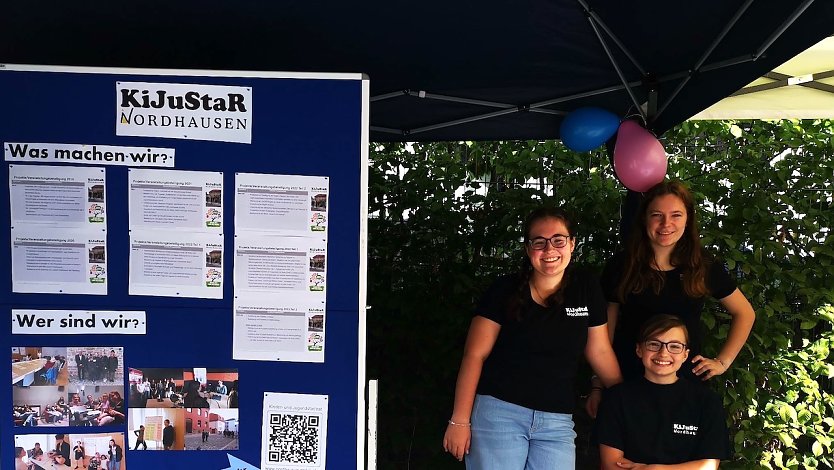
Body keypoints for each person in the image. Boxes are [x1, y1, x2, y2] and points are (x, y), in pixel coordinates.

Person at [442, 207, 622, 468]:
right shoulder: (504, 290)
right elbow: (474, 355)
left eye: (558, 240)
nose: (549, 250)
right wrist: (459, 420)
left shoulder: (586, 288)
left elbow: (600, 351)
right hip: (499, 413)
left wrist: (627, 398)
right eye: (539, 242)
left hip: (557, 420)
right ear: (528, 249)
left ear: (572, 244)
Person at [590, 180, 756, 414]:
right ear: (644, 218)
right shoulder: (622, 265)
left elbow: (744, 312)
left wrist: (722, 361)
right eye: (657, 215)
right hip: (626, 381)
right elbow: (604, 332)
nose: (666, 224)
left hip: (684, 381)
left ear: (688, 219)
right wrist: (599, 384)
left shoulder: (702, 265)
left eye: (676, 215)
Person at [596, 315, 730, 468]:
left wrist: (656, 469)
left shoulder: (707, 401)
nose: (663, 353)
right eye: (654, 344)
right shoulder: (616, 398)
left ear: (685, 354)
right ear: (639, 349)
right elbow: (612, 464)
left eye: (674, 346)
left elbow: (708, 465)